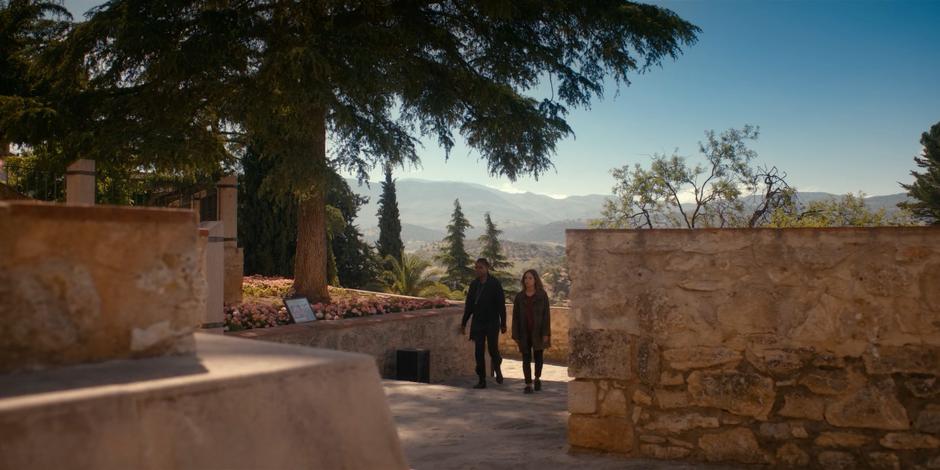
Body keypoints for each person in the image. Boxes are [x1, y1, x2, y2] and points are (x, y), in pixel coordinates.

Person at [461, 258, 507, 389]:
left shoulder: (495, 284)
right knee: (478, 351)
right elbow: (469, 305)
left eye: (480, 267)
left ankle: (497, 367)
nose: (478, 270)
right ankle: (482, 380)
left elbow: (501, 305)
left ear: (487, 268)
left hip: (492, 322)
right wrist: (464, 322)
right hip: (478, 322)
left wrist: (503, 323)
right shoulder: (474, 285)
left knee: (493, 349)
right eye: (476, 267)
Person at [511, 269, 551, 394]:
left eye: (530, 278)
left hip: (538, 332)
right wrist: (515, 334)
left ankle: (537, 378)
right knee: (525, 358)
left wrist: (545, 333)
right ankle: (528, 384)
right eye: (525, 278)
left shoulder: (542, 295)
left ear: (535, 280)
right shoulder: (519, 297)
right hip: (524, 332)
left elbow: (546, 315)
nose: (527, 280)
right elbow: (515, 317)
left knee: (539, 357)